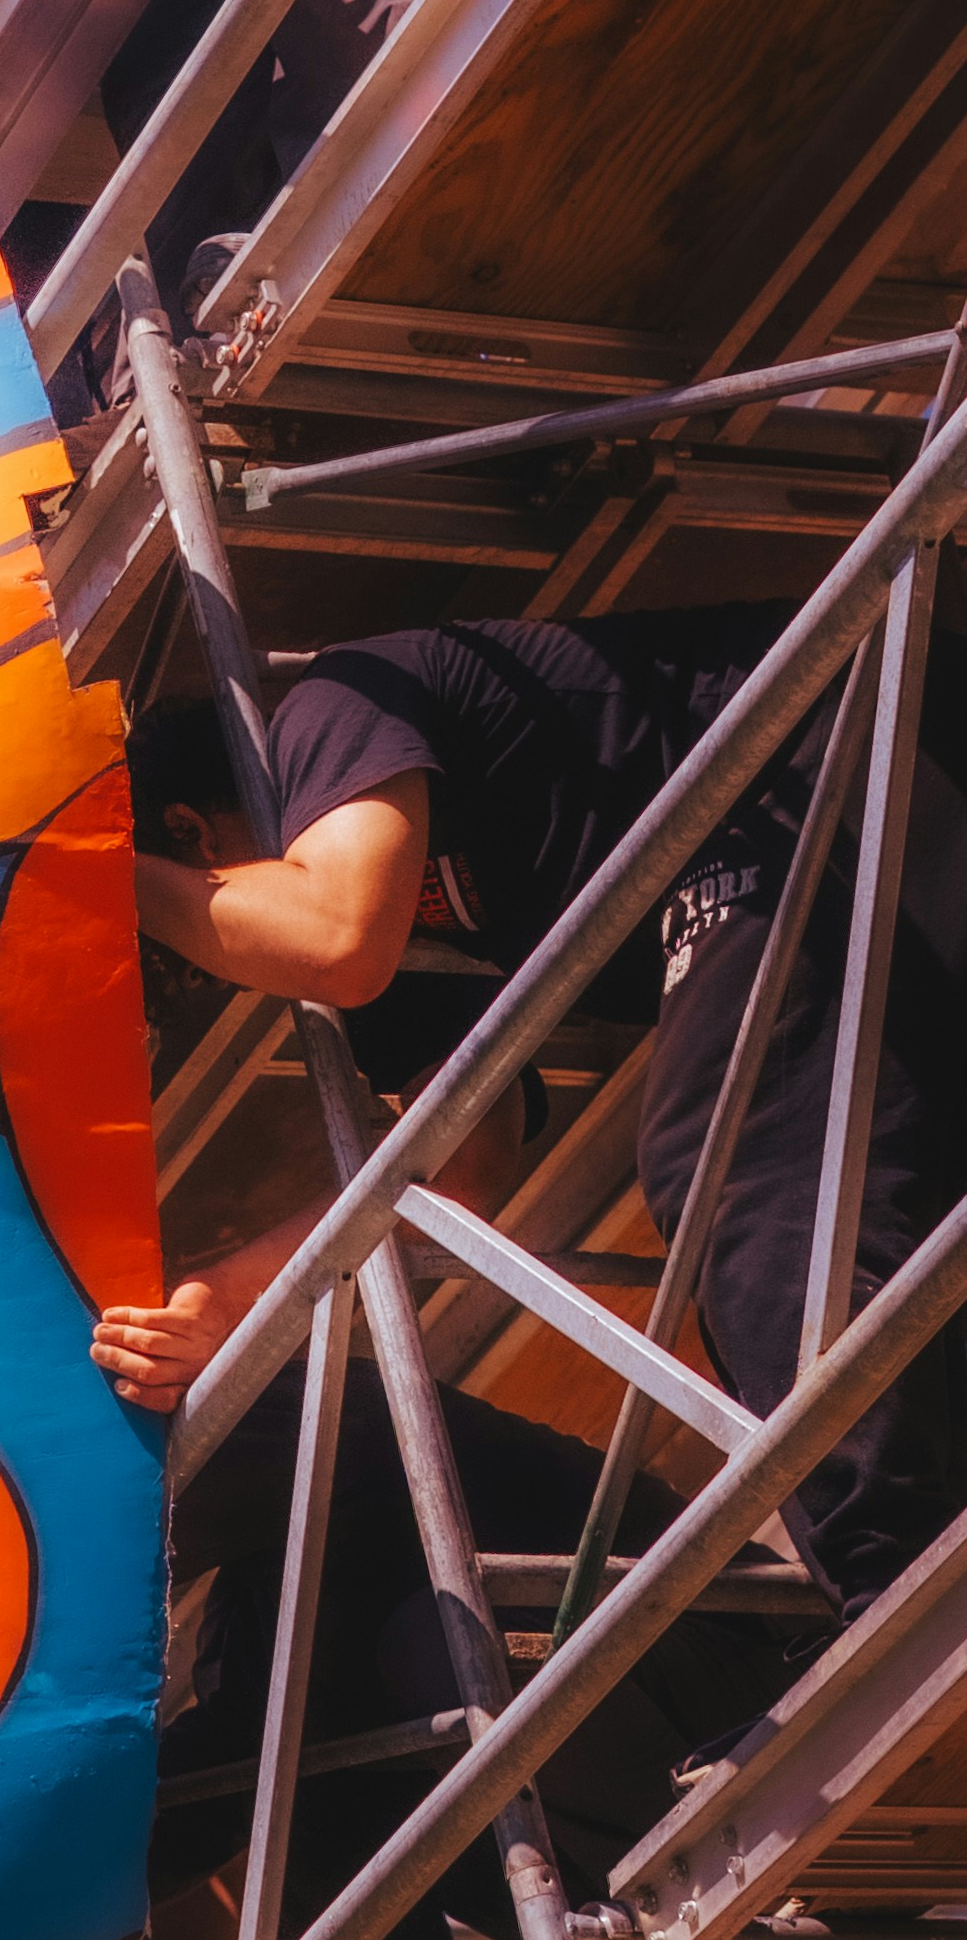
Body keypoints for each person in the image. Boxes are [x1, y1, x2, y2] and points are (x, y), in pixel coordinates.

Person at [113, 615, 967, 1620]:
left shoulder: (334, 707)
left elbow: (336, 938)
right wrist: (225, 1298)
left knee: (736, 1162)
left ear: (190, 835)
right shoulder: (395, 945)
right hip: (855, 861)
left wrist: (89, 874)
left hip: (844, 766)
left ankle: (899, 1592)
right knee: (846, 1184)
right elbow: (460, 1170)